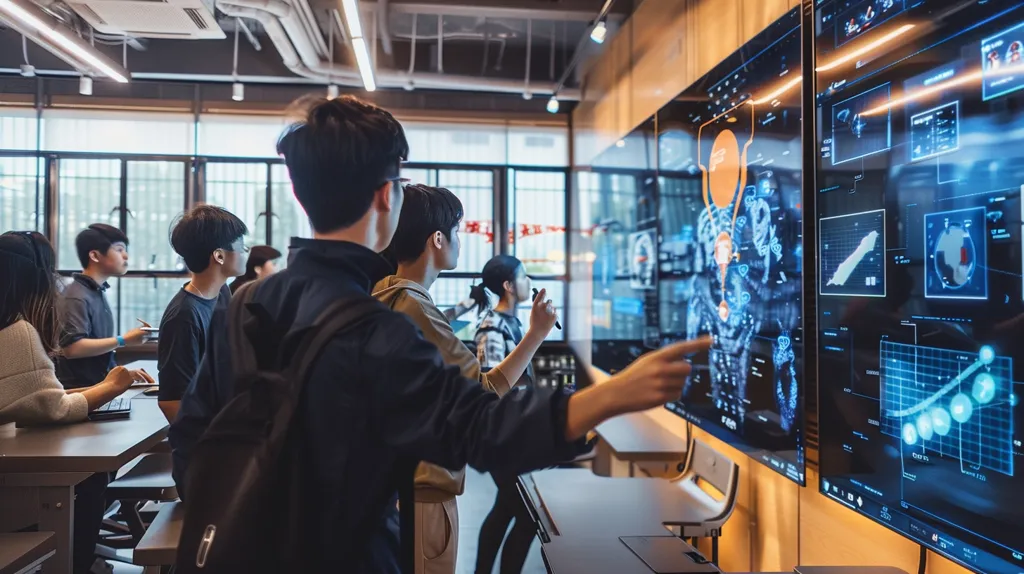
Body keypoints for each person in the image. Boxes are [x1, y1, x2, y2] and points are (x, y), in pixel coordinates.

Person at [169, 95, 710, 573]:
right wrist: (614, 394)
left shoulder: (246, 302)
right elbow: (479, 425)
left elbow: (194, 435)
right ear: (386, 196)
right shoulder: (376, 327)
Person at [373, 185, 557, 574]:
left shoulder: (386, 294)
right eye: (456, 231)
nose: (459, 240)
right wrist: (538, 333)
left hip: (396, 485)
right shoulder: (415, 306)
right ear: (436, 239)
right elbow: (486, 390)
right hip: (424, 493)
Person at [0, 231, 153, 574]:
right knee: (91, 478)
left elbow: (27, 396)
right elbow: (52, 406)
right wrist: (110, 386)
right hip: (10, 487)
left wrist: (96, 389)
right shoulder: (19, 331)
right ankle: (78, 563)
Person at [469, 254, 550, 574]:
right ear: (508, 285)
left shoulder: (516, 323)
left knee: (506, 508)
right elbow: (493, 390)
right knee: (527, 515)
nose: (528, 282)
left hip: (514, 432)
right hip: (502, 436)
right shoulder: (491, 329)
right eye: (524, 276)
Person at [157, 205, 248, 423]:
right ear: (219, 256)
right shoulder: (184, 316)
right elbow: (172, 402)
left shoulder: (223, 293)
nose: (246, 252)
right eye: (242, 246)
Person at [55, 224, 149, 390]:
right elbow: (72, 348)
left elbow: (99, 354)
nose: (126, 256)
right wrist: (123, 340)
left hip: (97, 387)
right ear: (95, 255)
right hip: (79, 393)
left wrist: (123, 374)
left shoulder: (96, 291)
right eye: (119, 250)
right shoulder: (76, 296)